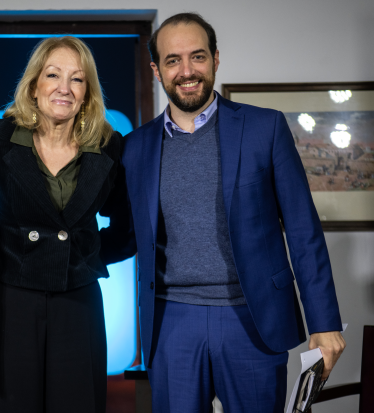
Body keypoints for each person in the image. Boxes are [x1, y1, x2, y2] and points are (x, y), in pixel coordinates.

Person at [100, 12, 345, 413]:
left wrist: (325, 320)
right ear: (157, 71)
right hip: (171, 321)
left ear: (216, 59)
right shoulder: (135, 147)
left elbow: (303, 230)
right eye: (173, 60)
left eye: (197, 57)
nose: (186, 71)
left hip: (252, 318)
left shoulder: (265, 128)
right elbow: (126, 233)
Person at [0, 36, 123, 413]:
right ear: (34, 84)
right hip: (10, 296)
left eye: (77, 79)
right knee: (10, 405)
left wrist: (82, 254)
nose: (64, 88)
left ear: (87, 91)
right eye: (53, 75)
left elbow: (129, 225)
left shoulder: (108, 145)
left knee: (77, 403)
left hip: (78, 298)